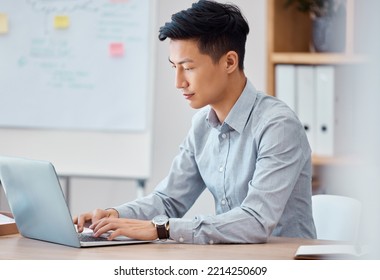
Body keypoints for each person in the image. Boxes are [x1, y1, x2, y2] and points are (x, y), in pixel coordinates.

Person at [74, 0, 316, 244]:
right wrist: (114, 216)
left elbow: (255, 221)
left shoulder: (277, 126)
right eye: (174, 68)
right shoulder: (202, 125)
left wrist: (163, 229)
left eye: (188, 68)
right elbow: (169, 199)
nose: (179, 82)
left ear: (229, 62)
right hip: (232, 261)